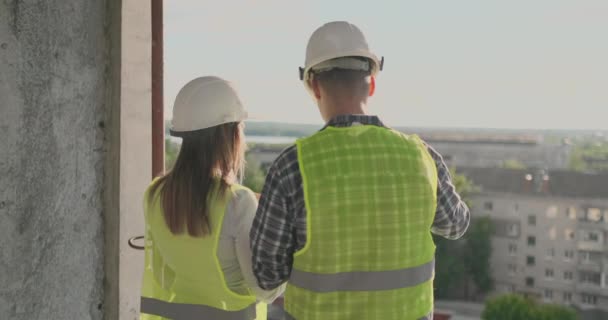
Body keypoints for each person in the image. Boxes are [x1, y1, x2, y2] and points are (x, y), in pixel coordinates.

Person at [250, 21, 471, 320]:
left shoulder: (292, 166)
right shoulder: (423, 157)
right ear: (373, 83)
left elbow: (266, 275)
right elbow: (455, 225)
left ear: (315, 86)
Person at [139, 76, 284, 320]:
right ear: (231, 134)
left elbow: (168, 274)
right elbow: (265, 289)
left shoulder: (155, 194)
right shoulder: (238, 203)